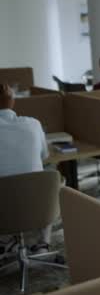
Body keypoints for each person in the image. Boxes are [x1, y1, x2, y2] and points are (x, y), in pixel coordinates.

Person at [0, 84, 52, 260]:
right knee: (50, 179)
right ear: (13, 102)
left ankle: (6, 241)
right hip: (38, 207)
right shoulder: (34, 124)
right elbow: (45, 156)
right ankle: (42, 244)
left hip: (4, 209)